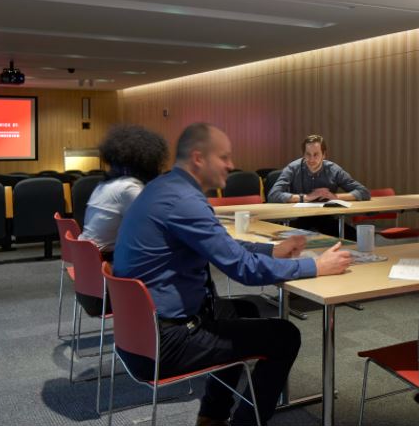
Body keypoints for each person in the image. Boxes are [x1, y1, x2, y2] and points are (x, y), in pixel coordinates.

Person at [114, 123, 352, 426]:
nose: (230, 164)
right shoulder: (184, 201)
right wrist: (315, 267)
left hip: (140, 332)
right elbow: (243, 269)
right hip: (164, 341)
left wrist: (270, 251)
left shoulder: (165, 189)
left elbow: (219, 243)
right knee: (285, 336)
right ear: (198, 158)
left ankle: (211, 416)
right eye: (224, 157)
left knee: (247, 310)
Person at [79, 124, 168, 261]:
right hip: (107, 259)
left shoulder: (105, 184)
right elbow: (155, 220)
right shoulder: (128, 188)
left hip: (87, 258)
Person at [266, 133, 370, 237]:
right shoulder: (293, 168)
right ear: (303, 154)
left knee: (357, 237)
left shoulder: (334, 170)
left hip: (326, 218)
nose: (311, 159)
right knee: (285, 241)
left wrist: (335, 197)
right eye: (308, 154)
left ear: (324, 155)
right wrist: (306, 197)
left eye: (316, 154)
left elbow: (363, 192)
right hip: (299, 218)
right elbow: (273, 195)